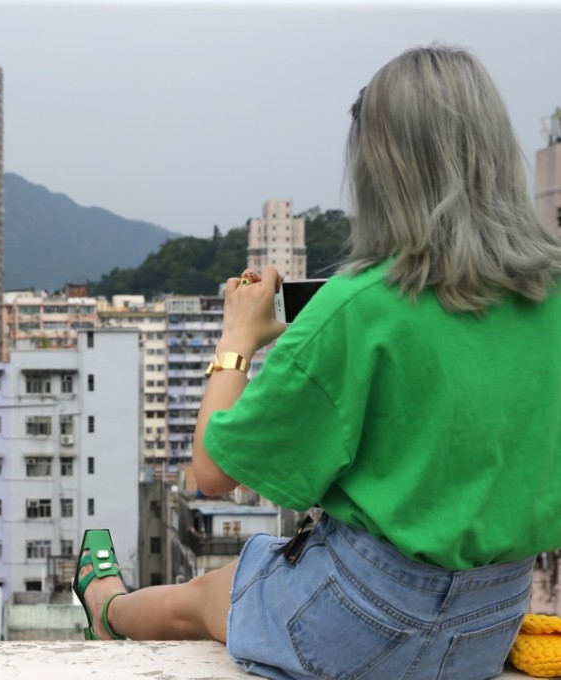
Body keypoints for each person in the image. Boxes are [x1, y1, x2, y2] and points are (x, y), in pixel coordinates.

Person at [73, 44, 561, 679]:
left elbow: (212, 473)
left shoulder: (358, 306)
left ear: (381, 169)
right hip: (490, 619)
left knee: (213, 590)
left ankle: (107, 609)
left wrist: (238, 339)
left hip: (361, 618)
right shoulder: (549, 297)